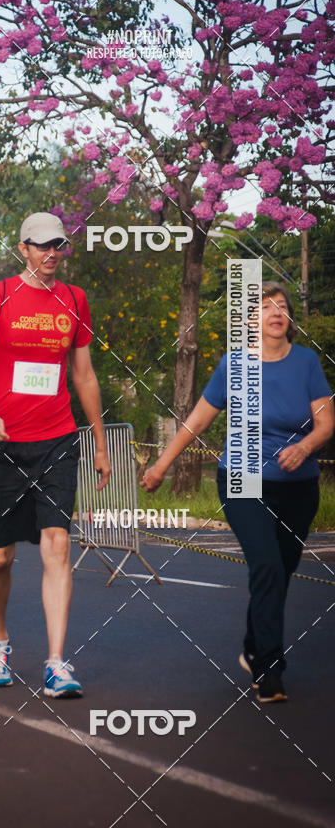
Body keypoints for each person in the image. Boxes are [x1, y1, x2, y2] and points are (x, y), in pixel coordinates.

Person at [141, 281, 334, 703]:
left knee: (279, 573)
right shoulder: (235, 365)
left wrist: (304, 447)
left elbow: (326, 423)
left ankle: (252, 645)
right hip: (243, 477)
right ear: (250, 321)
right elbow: (197, 422)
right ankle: (269, 669)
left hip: (299, 486)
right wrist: (161, 464)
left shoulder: (306, 363)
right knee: (266, 566)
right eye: (265, 307)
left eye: (282, 306)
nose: (276, 312)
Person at [0, 211, 111, 698]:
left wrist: (100, 440)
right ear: (23, 247)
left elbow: (84, 376)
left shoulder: (73, 300)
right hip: (1, 444)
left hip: (57, 439)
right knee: (0, 557)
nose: (51, 253)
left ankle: (56, 662)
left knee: (58, 546)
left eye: (58, 246)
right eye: (42, 245)